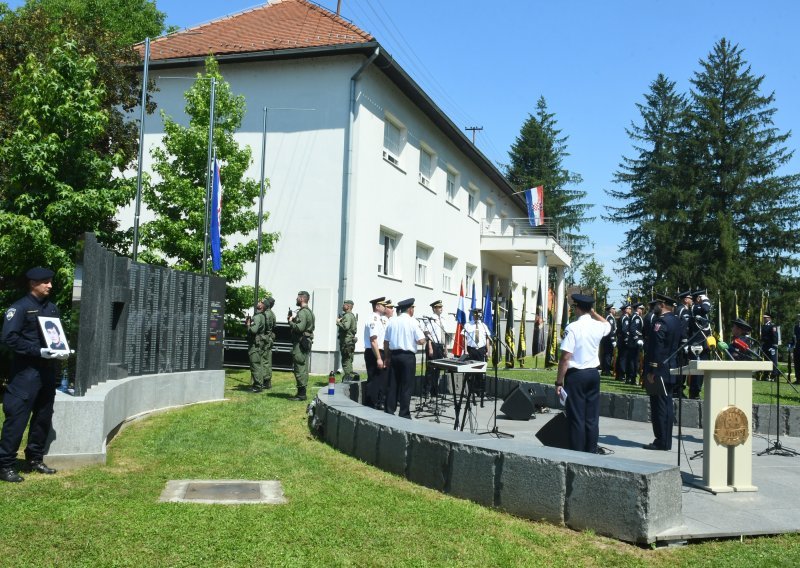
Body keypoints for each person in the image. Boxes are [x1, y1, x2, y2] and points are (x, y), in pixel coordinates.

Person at [1, 267, 70, 483]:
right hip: (26, 373)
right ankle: (5, 465)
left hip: (47, 372)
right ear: (33, 284)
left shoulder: (51, 309)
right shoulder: (19, 308)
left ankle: (35, 458)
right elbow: (9, 338)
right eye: (45, 282)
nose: (50, 285)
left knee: (43, 416)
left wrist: (61, 351)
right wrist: (36, 351)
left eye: (50, 281)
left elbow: (56, 336)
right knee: (17, 418)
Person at [554, 294, 611, 454]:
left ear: (577, 308)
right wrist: (594, 313)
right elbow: (607, 324)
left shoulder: (572, 327)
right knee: (592, 418)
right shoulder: (598, 326)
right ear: (590, 309)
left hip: (576, 375)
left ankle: (577, 454)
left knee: (577, 417)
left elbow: (565, 358)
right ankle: (591, 451)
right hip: (593, 374)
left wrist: (559, 382)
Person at [642, 294, 682, 451]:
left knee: (659, 406)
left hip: (660, 369)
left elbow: (657, 348)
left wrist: (652, 369)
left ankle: (661, 440)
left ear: (663, 305)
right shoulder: (676, 321)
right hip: (670, 367)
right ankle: (666, 440)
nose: (656, 306)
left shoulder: (661, 322)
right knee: (667, 405)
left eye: (658, 303)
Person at [383, 298, 426, 419]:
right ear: (410, 309)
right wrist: (426, 337)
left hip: (394, 355)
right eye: (413, 308)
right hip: (407, 357)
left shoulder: (392, 321)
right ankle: (404, 413)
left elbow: (386, 342)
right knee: (407, 385)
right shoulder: (413, 322)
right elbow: (421, 340)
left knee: (393, 384)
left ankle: (389, 410)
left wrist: (387, 356)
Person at [288, 290, 315, 401]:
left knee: (299, 368)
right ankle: (301, 393)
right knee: (302, 367)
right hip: (304, 342)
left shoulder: (303, 312)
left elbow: (299, 328)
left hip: (300, 343)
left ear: (302, 299)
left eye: (298, 297)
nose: (296, 299)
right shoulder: (309, 312)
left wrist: (290, 321)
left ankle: (301, 394)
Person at [363, 296, 387, 408]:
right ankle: (370, 405)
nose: (385, 307)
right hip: (373, 352)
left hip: (379, 351)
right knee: (373, 379)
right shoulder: (373, 319)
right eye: (383, 305)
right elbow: (373, 340)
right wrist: (378, 357)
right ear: (377, 306)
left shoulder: (381, 319)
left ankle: (377, 402)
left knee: (379, 379)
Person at [463, 307, 492, 399]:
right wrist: (466, 350)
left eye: (478, 313)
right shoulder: (468, 325)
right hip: (471, 350)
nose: (476, 315)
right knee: (471, 371)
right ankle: (471, 391)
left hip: (481, 350)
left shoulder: (483, 325)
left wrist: (488, 351)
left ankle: (480, 390)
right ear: (472, 314)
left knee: (480, 371)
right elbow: (465, 338)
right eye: (475, 313)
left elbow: (487, 338)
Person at [422, 300, 447, 397]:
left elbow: (443, 334)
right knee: (430, 369)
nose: (441, 309)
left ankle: (434, 391)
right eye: (439, 307)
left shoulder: (443, 319)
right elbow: (427, 333)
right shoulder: (430, 319)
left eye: (441, 307)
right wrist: (430, 347)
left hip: (440, 345)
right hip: (432, 344)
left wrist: (445, 348)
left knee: (438, 369)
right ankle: (426, 391)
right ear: (434, 308)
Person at [245, 299, 269, 392]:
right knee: (258, 364)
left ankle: (257, 386)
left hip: (255, 344)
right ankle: (258, 384)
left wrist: (248, 325)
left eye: (260, 302)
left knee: (255, 364)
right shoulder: (263, 316)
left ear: (262, 306)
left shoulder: (258, 317)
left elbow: (253, 330)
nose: (258, 303)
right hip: (259, 344)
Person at [336, 300, 358, 381]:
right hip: (350, 341)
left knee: (346, 360)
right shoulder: (351, 316)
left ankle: (348, 377)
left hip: (346, 342)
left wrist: (338, 322)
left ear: (348, 306)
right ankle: (350, 376)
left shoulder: (348, 316)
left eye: (344, 305)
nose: (342, 306)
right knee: (349, 359)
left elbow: (346, 327)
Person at [625, 303, 644, 385]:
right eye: (641, 309)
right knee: (634, 361)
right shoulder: (636, 317)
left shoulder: (634, 316)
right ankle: (632, 378)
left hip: (633, 342)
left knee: (632, 360)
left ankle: (630, 378)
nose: (642, 311)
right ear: (638, 309)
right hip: (634, 342)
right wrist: (637, 338)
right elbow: (633, 329)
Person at [761, 313, 779, 381]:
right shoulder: (764, 326)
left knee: (773, 361)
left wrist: (774, 345)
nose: (764, 319)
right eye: (764, 318)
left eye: (766, 317)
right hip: (765, 345)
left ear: (769, 318)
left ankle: (774, 375)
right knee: (766, 360)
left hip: (771, 345)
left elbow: (775, 335)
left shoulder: (773, 326)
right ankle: (766, 375)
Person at [599, 305, 616, 376]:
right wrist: (613, 339)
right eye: (613, 309)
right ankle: (606, 370)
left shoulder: (610, 317)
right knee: (608, 355)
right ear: (610, 310)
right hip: (608, 339)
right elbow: (610, 329)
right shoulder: (610, 318)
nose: (615, 310)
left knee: (607, 354)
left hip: (607, 339)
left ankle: (605, 369)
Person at [616, 303, 631, 381]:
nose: (630, 310)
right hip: (623, 340)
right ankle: (622, 375)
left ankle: (618, 374)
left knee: (621, 357)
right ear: (625, 310)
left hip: (620, 340)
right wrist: (626, 339)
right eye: (629, 308)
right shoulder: (625, 318)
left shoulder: (622, 317)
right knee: (623, 358)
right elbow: (625, 330)